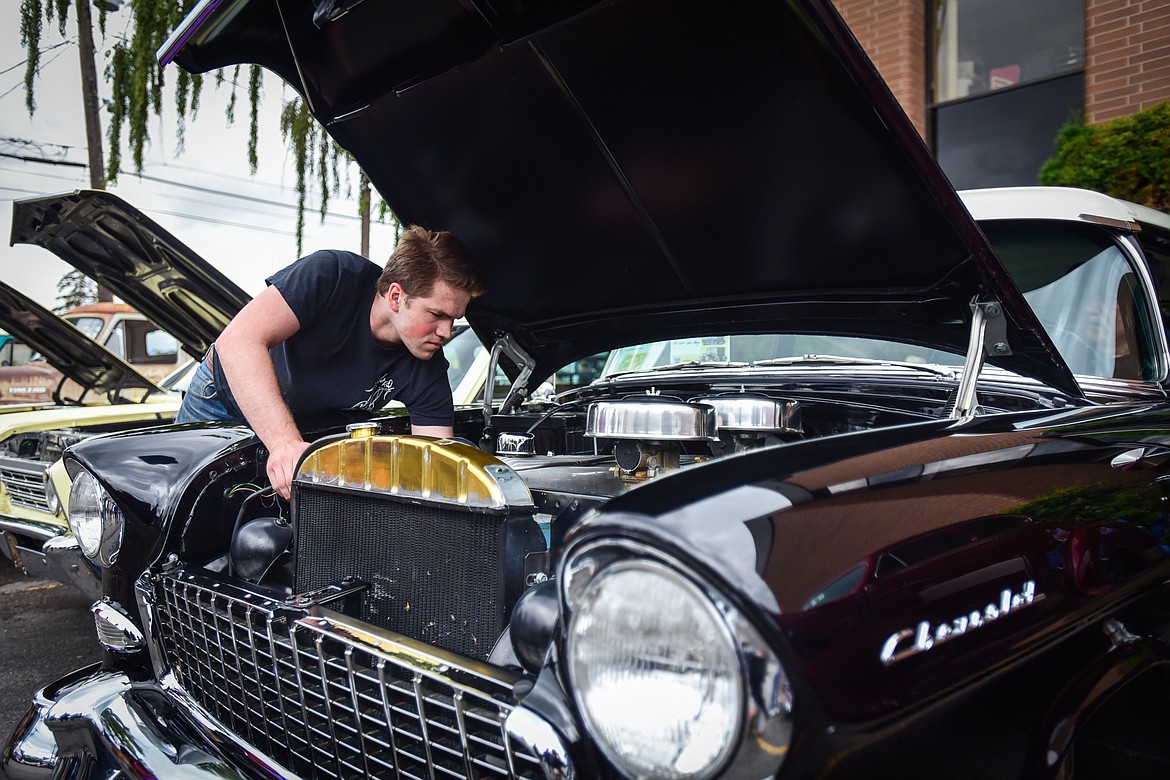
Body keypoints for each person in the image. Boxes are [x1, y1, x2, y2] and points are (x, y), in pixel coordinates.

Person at [176, 226, 484, 498]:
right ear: (395, 296)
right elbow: (238, 341)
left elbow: (436, 464)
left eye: (454, 319)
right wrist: (284, 444)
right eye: (436, 315)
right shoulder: (332, 276)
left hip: (300, 430)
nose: (446, 332)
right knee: (179, 523)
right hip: (222, 404)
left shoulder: (426, 363)